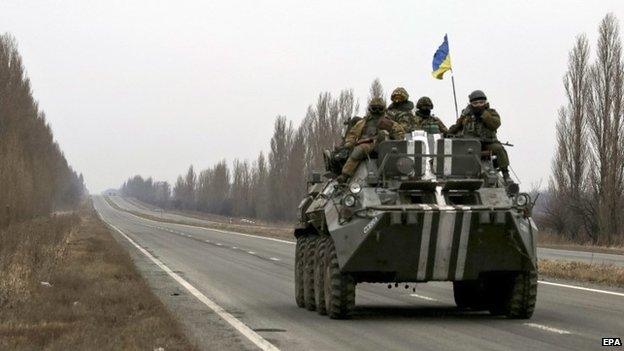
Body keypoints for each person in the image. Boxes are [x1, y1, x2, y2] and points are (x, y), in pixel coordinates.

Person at [448, 90, 513, 183]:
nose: (478, 105)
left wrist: (484, 114)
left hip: (488, 142)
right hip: (470, 143)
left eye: (481, 103)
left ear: (485, 102)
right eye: (475, 103)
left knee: (499, 149)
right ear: (470, 104)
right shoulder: (467, 115)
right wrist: (463, 116)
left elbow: (495, 124)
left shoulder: (491, 112)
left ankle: (506, 174)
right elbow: (456, 128)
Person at [337, 98, 405, 182]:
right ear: (370, 109)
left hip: (385, 145)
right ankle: (345, 175)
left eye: (380, 108)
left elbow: (400, 133)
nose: (377, 111)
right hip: (367, 144)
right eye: (374, 108)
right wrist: (349, 143)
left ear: (383, 109)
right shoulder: (363, 122)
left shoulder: (390, 122)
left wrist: (391, 132)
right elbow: (353, 134)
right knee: (357, 152)